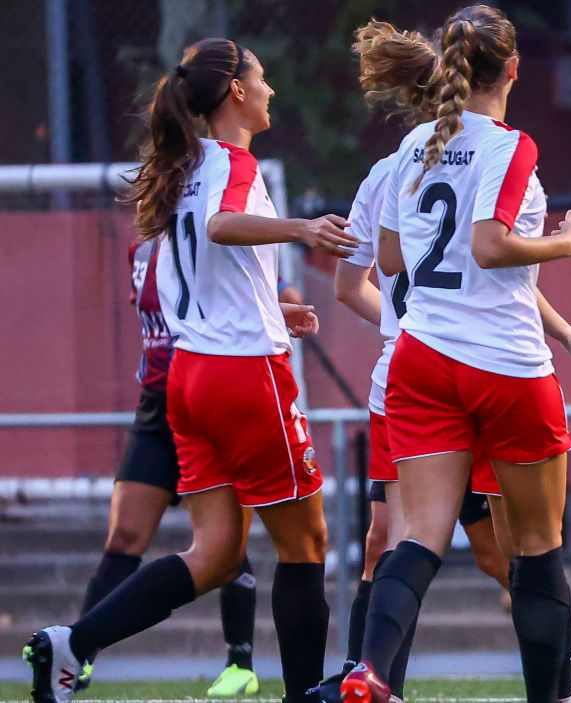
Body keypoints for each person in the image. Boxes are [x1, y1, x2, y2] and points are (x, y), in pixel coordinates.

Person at [24, 38, 356, 703]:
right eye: (262, 79)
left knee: (216, 553)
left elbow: (187, 272)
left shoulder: (185, 165)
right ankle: (305, 695)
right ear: (235, 90)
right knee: (307, 540)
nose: (270, 91)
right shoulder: (229, 162)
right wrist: (303, 229)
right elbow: (222, 226)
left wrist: (269, 307)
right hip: (242, 375)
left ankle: (75, 641)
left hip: (190, 375)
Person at [338, 8, 571, 703]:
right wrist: (564, 242)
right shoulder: (509, 145)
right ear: (514, 69)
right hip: (503, 362)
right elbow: (493, 245)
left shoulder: (415, 145)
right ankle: (553, 695)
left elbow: (393, 256)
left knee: (419, 536)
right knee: (536, 545)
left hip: (422, 357)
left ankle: (367, 670)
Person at [58, 234, 262, 698]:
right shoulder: (140, 248)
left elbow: (262, 292)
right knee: (124, 535)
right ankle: (76, 653)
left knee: (225, 541)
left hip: (207, 398)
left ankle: (240, 661)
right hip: (156, 407)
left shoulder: (214, 228)